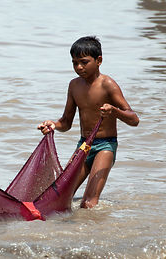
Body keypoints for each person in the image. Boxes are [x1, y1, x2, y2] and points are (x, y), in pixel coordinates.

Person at [38, 36, 139, 209]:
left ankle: (90, 232)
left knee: (88, 203)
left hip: (105, 146)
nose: (79, 67)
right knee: (59, 195)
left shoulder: (107, 84)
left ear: (99, 60)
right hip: (83, 145)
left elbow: (134, 119)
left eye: (84, 62)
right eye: (74, 63)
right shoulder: (74, 86)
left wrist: (114, 111)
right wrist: (54, 125)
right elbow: (66, 122)